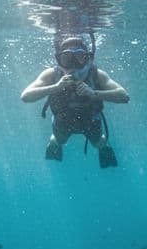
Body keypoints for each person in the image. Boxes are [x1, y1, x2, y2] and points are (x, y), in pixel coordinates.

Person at [21, 35, 129, 168]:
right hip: (63, 119)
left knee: (98, 142)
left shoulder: (96, 74)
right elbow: (25, 96)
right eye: (66, 59)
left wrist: (93, 93)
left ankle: (104, 148)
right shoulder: (52, 74)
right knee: (60, 140)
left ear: (88, 59)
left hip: (90, 118)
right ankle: (54, 141)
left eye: (79, 57)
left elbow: (124, 96)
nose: (73, 65)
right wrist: (55, 87)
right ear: (59, 62)